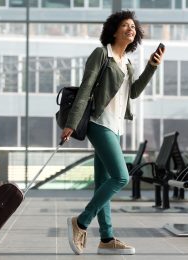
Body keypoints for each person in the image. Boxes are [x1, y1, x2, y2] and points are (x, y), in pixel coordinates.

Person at [61, 10, 165, 255]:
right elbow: (86, 89)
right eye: (126, 25)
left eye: (133, 27)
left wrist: (152, 66)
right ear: (114, 30)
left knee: (103, 183)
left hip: (116, 127)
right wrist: (72, 123)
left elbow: (135, 92)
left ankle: (107, 239)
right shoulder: (101, 54)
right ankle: (81, 221)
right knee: (121, 178)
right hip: (99, 124)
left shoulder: (127, 63)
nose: (132, 29)